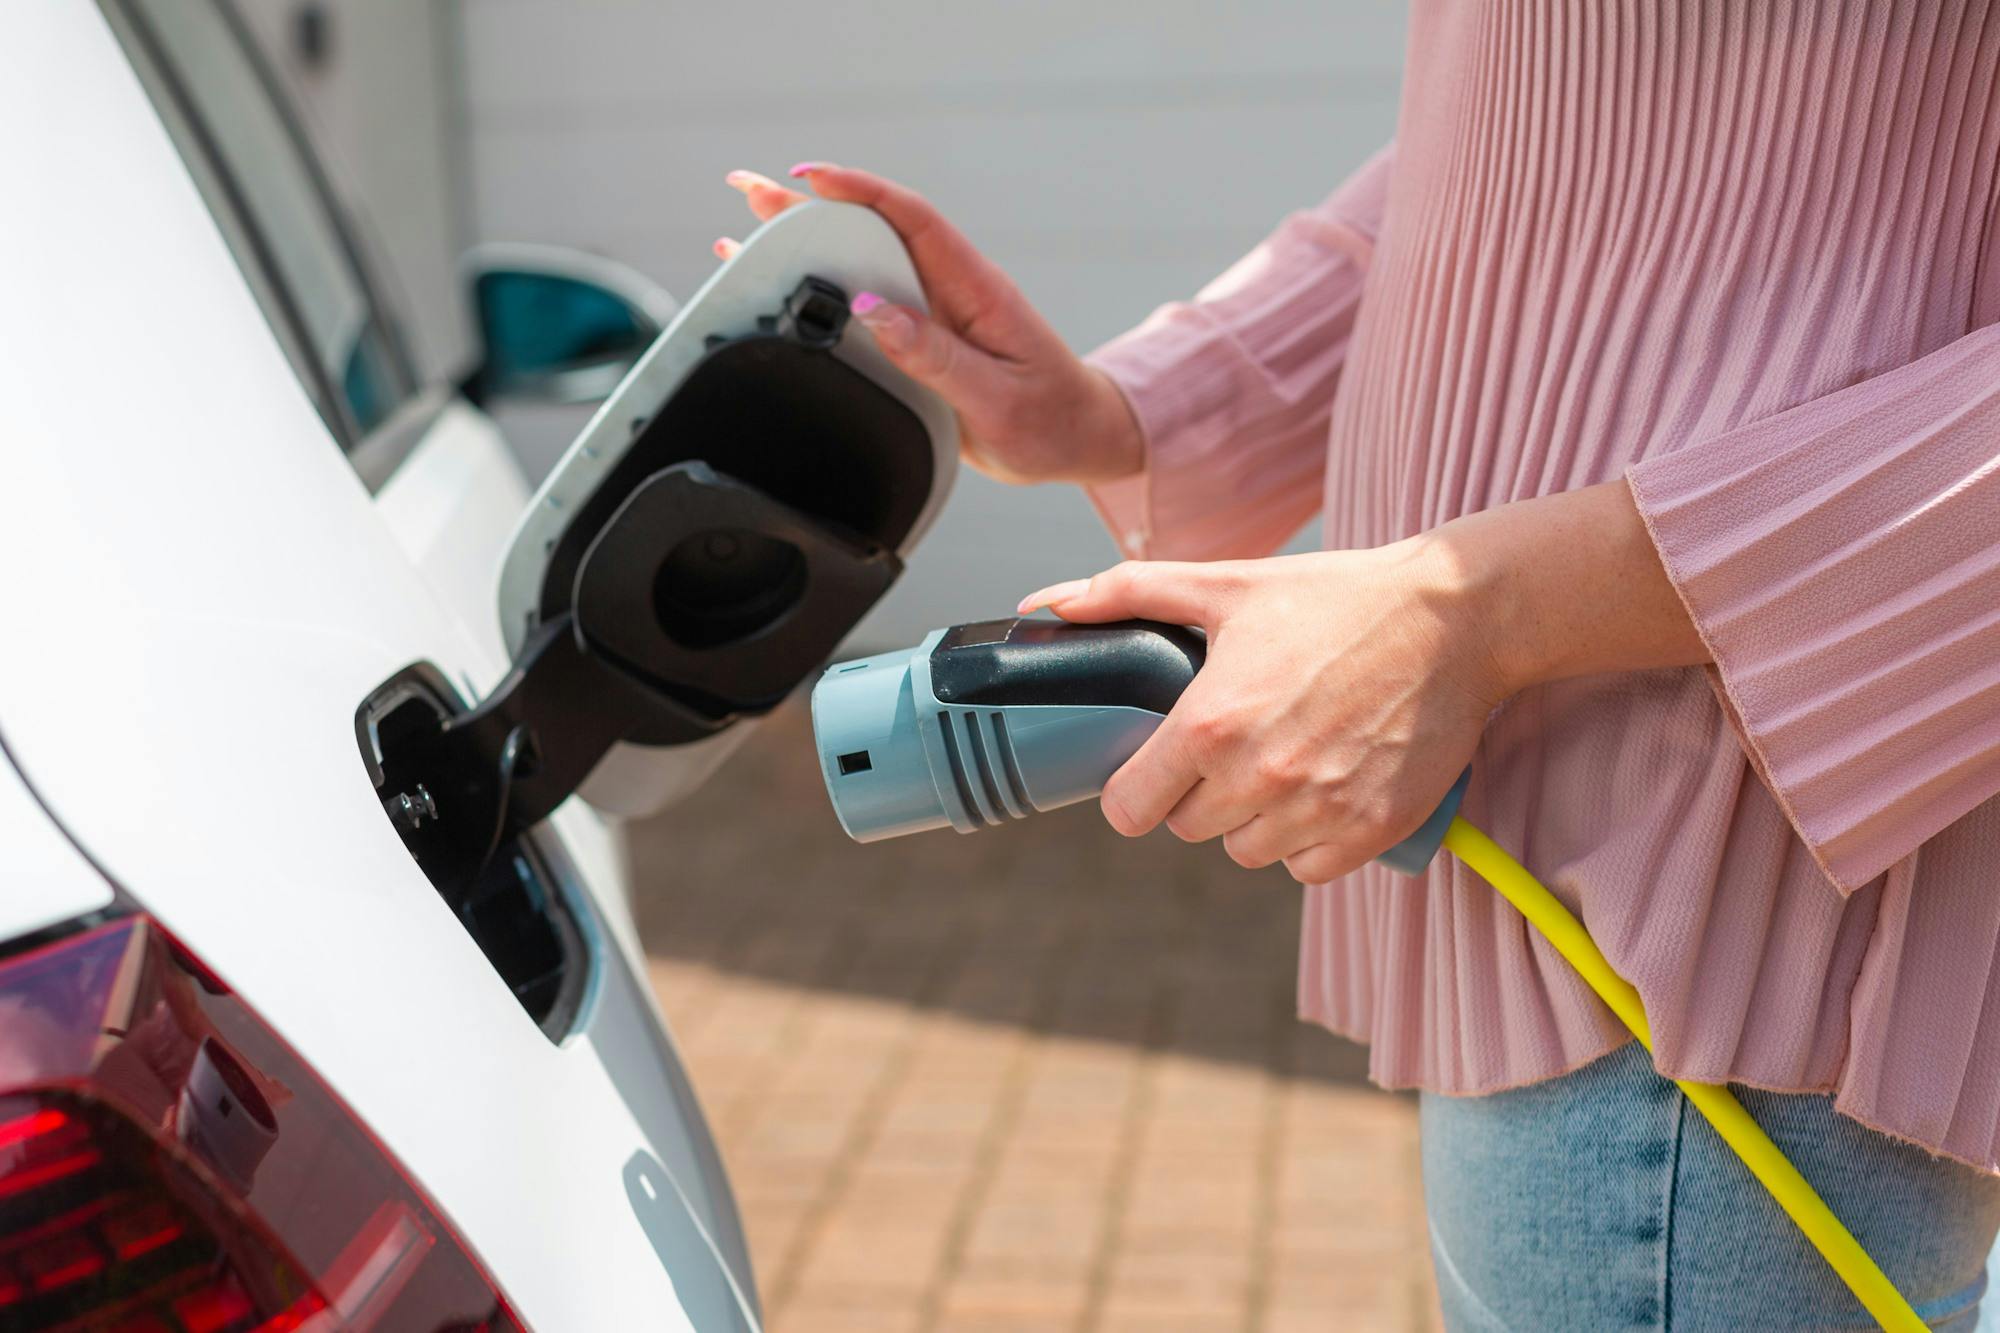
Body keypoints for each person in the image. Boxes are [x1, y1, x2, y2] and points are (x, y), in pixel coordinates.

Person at [719, 4, 2000, 1325]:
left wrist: (1474, 606)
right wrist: (1133, 410)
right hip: (1577, 896)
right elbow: (1565, 133)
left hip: (1717, 930)